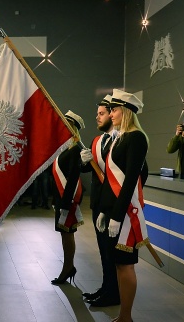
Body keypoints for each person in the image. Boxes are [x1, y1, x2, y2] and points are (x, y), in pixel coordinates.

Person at [97, 89, 149, 322]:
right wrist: (104, 210)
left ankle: (126, 317)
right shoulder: (120, 137)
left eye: (115, 109)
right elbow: (110, 180)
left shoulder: (136, 137)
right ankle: (122, 315)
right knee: (118, 264)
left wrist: (117, 215)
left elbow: (131, 180)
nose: (112, 113)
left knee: (125, 265)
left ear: (125, 111)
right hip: (113, 211)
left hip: (125, 213)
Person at [79, 95, 121, 307]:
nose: (98, 117)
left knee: (112, 251)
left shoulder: (120, 139)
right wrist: (84, 162)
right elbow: (90, 168)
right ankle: (106, 287)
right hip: (97, 202)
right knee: (103, 250)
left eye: (102, 113)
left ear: (113, 115)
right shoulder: (97, 140)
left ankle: (114, 292)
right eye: (97, 114)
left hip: (112, 204)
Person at [50, 110, 85, 285]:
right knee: (65, 233)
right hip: (61, 198)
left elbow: (73, 178)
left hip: (68, 199)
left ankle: (68, 268)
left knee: (67, 232)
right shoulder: (64, 148)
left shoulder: (75, 149)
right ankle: (68, 267)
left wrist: (65, 202)